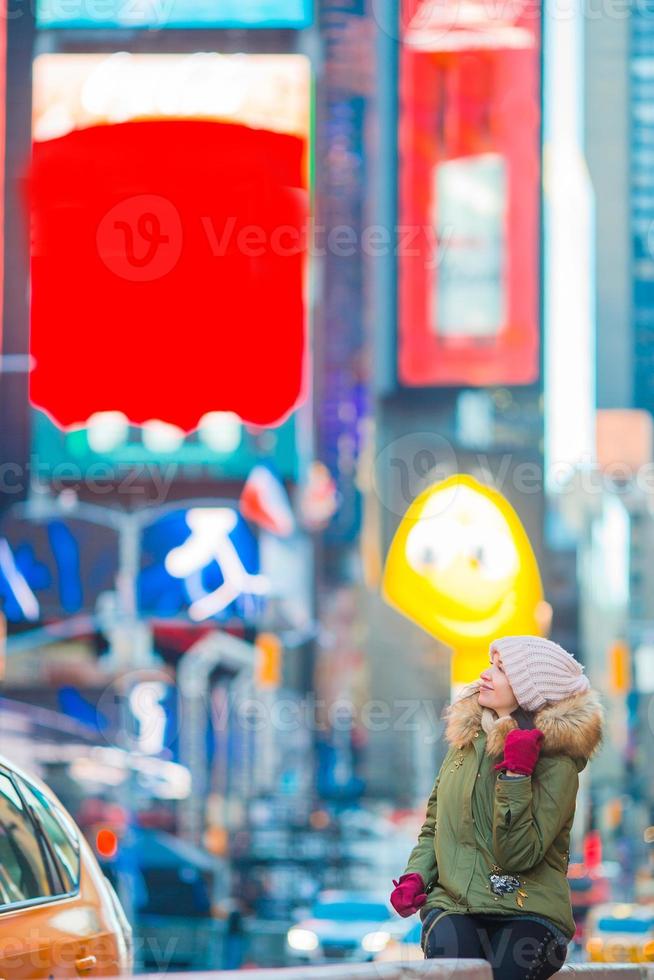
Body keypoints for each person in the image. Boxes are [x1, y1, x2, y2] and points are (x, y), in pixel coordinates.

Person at [390, 635, 604, 980]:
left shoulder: (557, 763)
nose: (486, 675)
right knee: (455, 963)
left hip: (529, 909)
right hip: (454, 903)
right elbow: (436, 825)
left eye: (502, 670)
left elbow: (519, 855)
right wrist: (418, 875)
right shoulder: (467, 742)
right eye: (491, 664)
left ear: (532, 691)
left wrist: (517, 774)